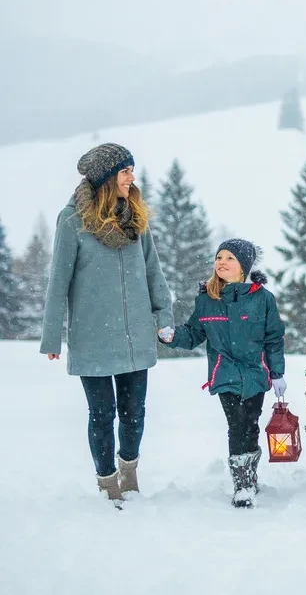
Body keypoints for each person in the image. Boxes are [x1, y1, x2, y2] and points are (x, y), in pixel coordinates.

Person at [40, 143, 173, 503]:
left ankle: (129, 469)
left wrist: (164, 316)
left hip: (135, 337)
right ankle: (108, 482)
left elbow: (153, 272)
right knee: (102, 414)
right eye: (126, 171)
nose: (132, 177)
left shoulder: (135, 219)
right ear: (106, 178)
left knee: (134, 414)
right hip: (93, 337)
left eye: (132, 170)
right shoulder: (72, 221)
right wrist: (52, 335)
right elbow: (58, 281)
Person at [159, 239, 286, 508]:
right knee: (237, 425)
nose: (221, 262)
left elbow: (274, 337)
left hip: (255, 373)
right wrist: (171, 336)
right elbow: (194, 334)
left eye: (229, 258)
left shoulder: (262, 299)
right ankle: (242, 486)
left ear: (243, 267)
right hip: (224, 373)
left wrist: (276, 373)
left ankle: (250, 478)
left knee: (251, 425)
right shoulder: (207, 299)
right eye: (219, 257)